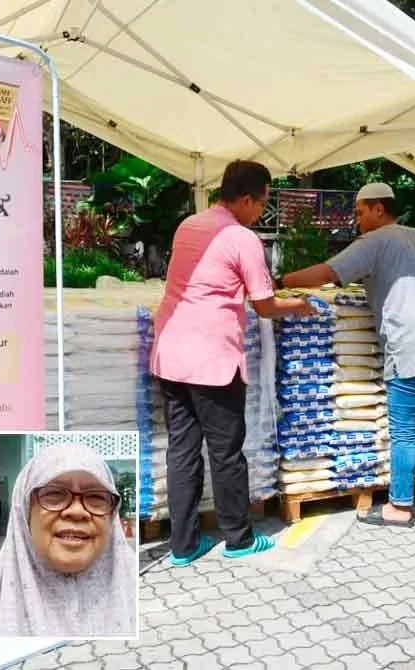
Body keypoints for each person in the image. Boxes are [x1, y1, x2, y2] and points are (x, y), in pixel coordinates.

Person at [150, 159, 313, 565]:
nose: (261, 212)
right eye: (262, 204)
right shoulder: (242, 238)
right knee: (225, 451)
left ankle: (183, 546)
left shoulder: (188, 226)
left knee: (182, 451)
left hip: (171, 353)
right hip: (212, 360)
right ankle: (239, 539)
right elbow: (265, 306)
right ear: (245, 199)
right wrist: (300, 306)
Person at [281, 182, 415, 528]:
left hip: (412, 345)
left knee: (404, 429)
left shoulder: (375, 241)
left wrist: (280, 279)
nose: (357, 220)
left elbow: (328, 273)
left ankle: (400, 507)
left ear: (379, 209)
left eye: (361, 212)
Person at [0, 443, 137, 637]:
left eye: (96, 496)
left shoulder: (139, 592)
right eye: (54, 494)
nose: (77, 511)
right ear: (25, 511)